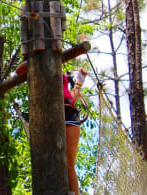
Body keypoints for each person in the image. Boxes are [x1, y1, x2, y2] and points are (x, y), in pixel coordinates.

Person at [65, 67, 88, 195]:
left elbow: (71, 100)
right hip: (49, 119)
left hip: (68, 119)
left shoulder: (64, 91)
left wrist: (79, 81)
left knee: (69, 163)